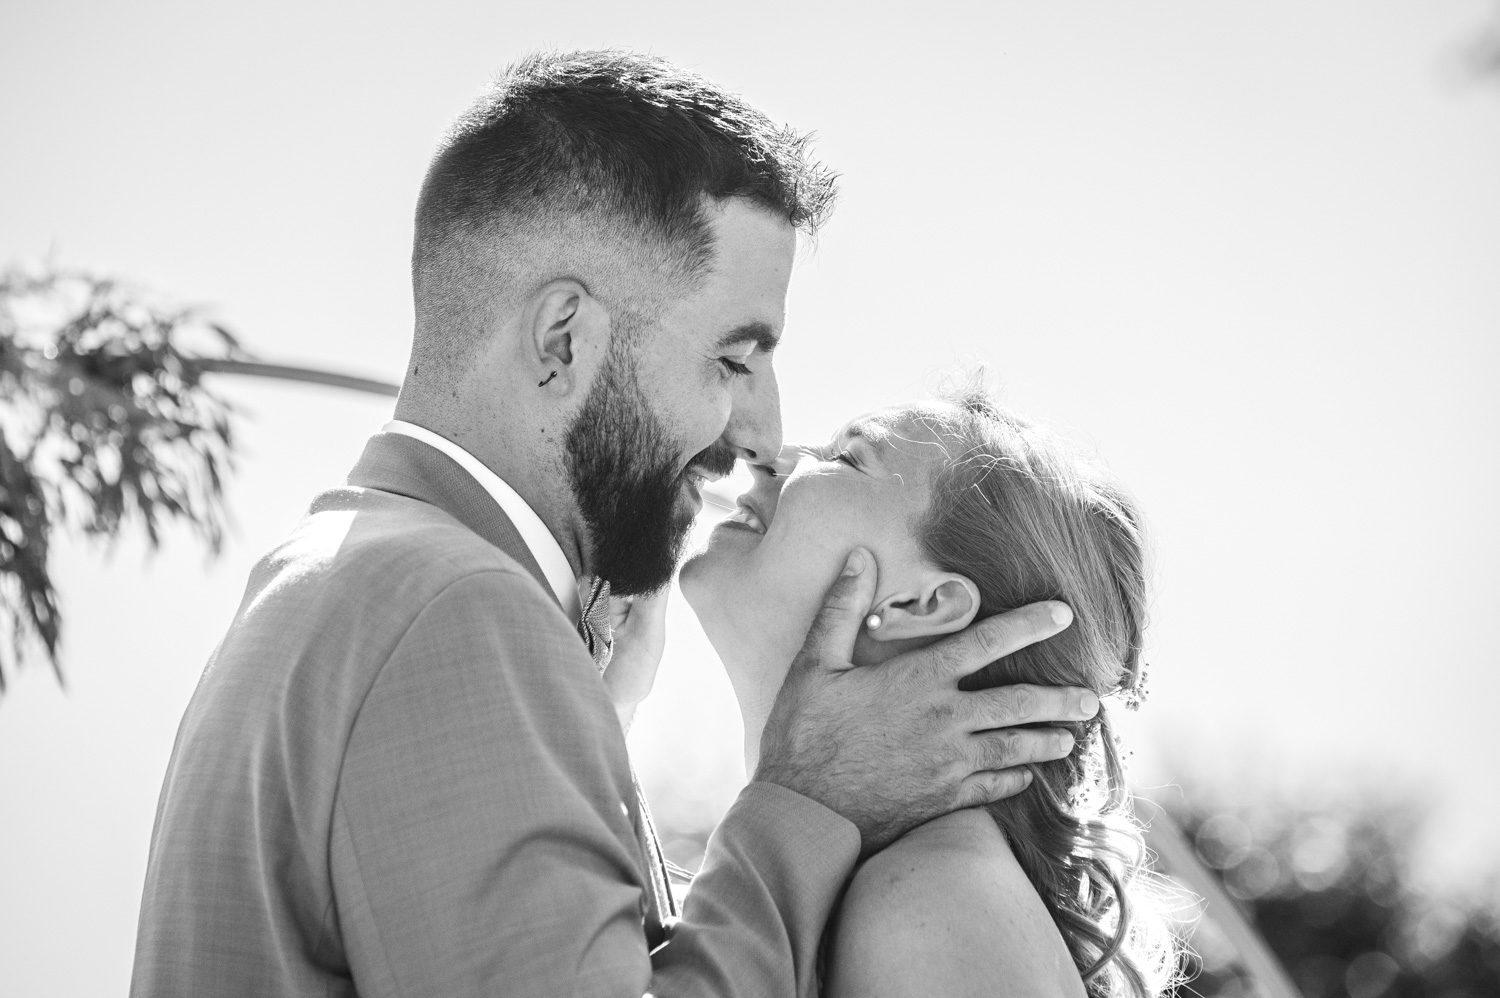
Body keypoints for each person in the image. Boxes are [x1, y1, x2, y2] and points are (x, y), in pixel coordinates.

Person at [129, 51, 1100, 997]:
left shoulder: (342, 571)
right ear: (563, 339)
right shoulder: (457, 615)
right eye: (732, 361)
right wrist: (805, 802)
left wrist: (602, 723)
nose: (760, 435)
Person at [679, 388, 1181, 998]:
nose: (771, 456)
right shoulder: (910, 889)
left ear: (922, 605)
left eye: (846, 457)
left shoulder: (935, 903)